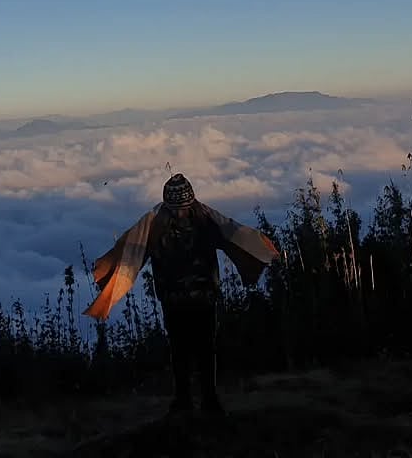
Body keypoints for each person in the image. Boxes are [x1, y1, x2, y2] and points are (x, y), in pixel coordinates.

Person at [84, 173, 279, 417]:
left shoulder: (176, 221)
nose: (180, 213)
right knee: (189, 350)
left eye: (182, 208)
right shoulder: (187, 220)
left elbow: (234, 235)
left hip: (190, 297)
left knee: (196, 349)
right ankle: (192, 400)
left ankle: (201, 400)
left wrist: (262, 250)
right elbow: (233, 234)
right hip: (187, 297)